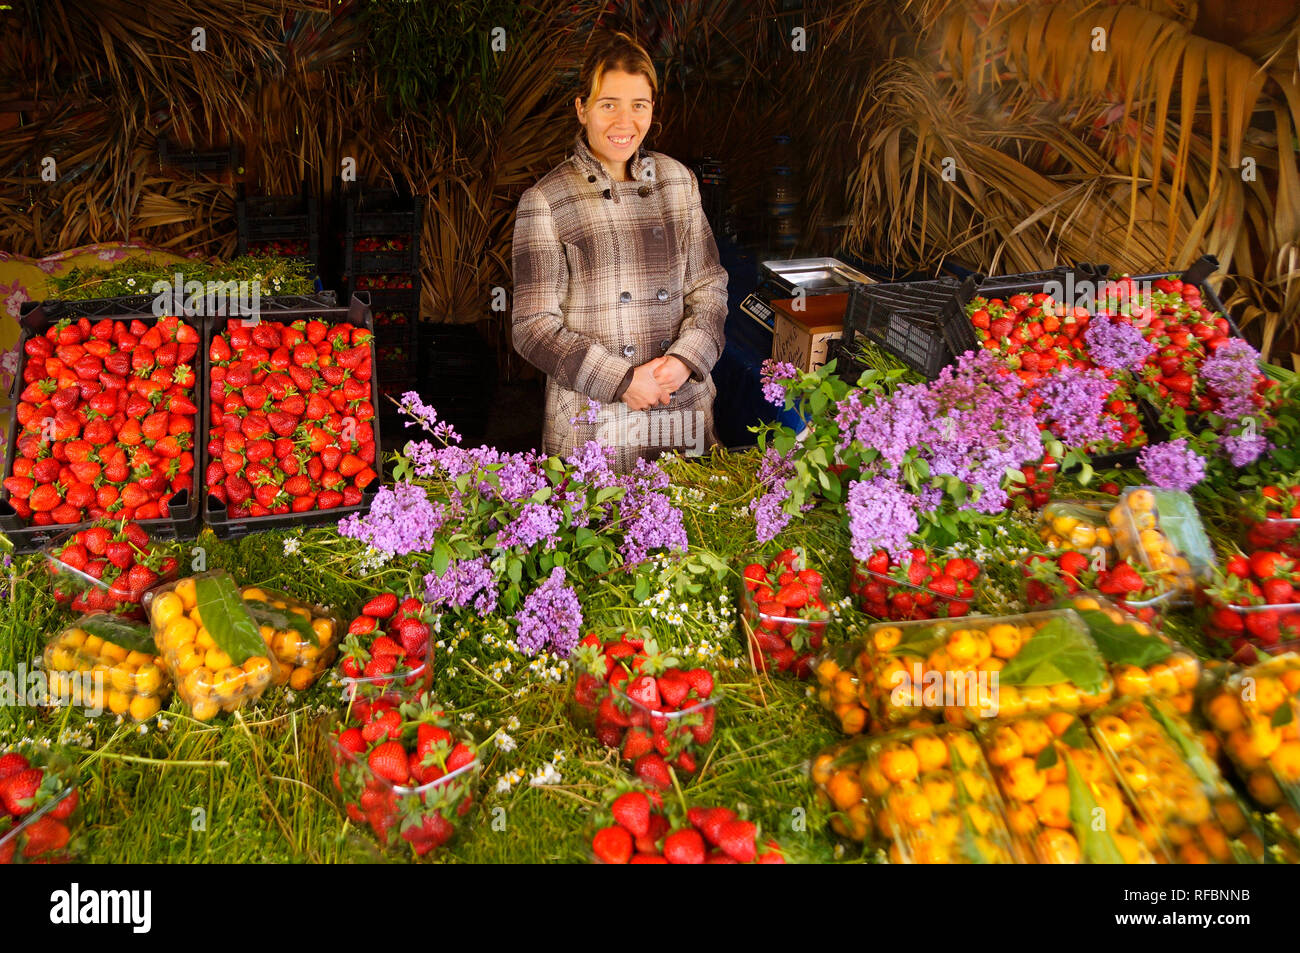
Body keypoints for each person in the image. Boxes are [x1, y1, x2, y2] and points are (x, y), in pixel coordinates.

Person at [511, 31, 728, 473]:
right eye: (608, 104)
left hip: (679, 409)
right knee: (601, 535)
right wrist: (623, 379)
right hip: (595, 425)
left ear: (652, 110)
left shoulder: (677, 182)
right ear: (582, 108)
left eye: (639, 105)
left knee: (689, 533)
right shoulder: (547, 199)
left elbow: (710, 286)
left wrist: (687, 359)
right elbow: (532, 326)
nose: (623, 121)